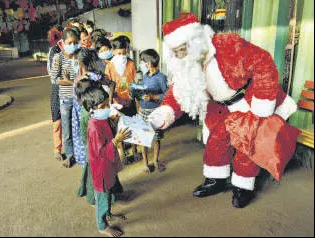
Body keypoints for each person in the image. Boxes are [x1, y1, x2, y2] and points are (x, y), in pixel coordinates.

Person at [148, 13, 300, 208]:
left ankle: (242, 187)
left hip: (247, 100)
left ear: (194, 41)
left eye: (181, 49)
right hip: (219, 107)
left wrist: (263, 101)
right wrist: (165, 111)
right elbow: (177, 93)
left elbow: (263, 62)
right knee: (216, 141)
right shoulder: (185, 65)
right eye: (175, 51)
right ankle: (215, 180)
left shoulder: (227, 45)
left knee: (247, 145)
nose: (179, 56)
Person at [77, 81, 130, 237]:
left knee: (108, 192)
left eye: (107, 104)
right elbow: (100, 151)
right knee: (102, 196)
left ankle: (108, 214)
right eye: (103, 106)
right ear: (91, 110)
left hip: (108, 165)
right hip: (101, 168)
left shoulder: (101, 120)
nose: (107, 108)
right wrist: (116, 140)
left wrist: (114, 124)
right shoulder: (93, 126)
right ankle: (102, 225)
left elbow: (107, 137)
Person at [105, 36, 138, 163]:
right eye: (119, 53)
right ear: (113, 52)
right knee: (120, 129)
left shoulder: (131, 64)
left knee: (133, 127)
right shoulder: (110, 66)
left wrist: (134, 94)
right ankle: (122, 154)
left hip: (129, 102)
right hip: (117, 104)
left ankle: (135, 151)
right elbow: (108, 86)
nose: (122, 56)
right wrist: (111, 101)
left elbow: (135, 81)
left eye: (124, 53)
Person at [50, 27, 79, 168]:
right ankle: (69, 155)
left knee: (79, 127)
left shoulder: (79, 56)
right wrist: (72, 82)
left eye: (75, 42)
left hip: (80, 98)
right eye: (69, 42)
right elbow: (55, 79)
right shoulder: (58, 58)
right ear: (63, 43)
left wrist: (69, 80)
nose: (72, 45)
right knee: (67, 129)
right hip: (66, 99)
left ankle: (80, 154)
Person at [136, 49, 168, 174]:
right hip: (143, 110)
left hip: (155, 111)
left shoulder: (161, 78)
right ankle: (145, 163)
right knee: (142, 138)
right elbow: (141, 92)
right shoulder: (144, 76)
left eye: (143, 61)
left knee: (156, 138)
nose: (142, 64)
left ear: (149, 62)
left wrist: (153, 97)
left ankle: (155, 161)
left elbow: (167, 95)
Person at [47, 31, 64, 161]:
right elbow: (54, 74)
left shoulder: (68, 48)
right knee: (57, 120)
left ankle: (67, 150)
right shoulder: (55, 50)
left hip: (68, 88)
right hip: (57, 88)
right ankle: (57, 148)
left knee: (68, 120)